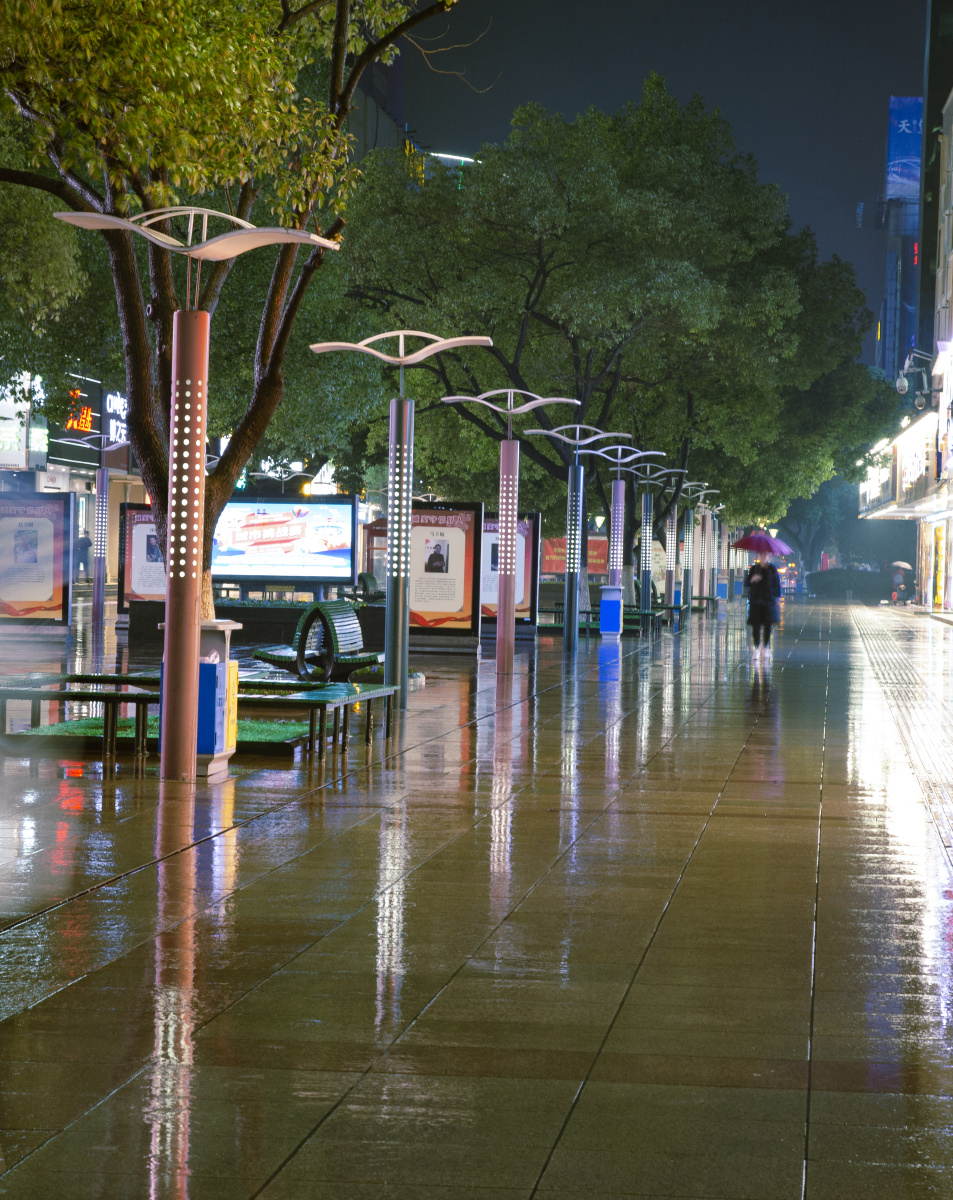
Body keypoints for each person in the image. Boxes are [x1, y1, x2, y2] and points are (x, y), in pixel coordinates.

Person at [745, 555, 781, 656]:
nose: (763, 556)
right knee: (755, 626)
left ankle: (766, 646)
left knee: (767, 625)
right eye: (761, 554)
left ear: (768, 556)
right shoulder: (754, 569)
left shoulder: (772, 569)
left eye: (765, 554)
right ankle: (756, 647)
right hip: (756, 601)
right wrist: (753, 579)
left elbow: (777, 586)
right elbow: (747, 582)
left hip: (769, 601)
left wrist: (778, 599)